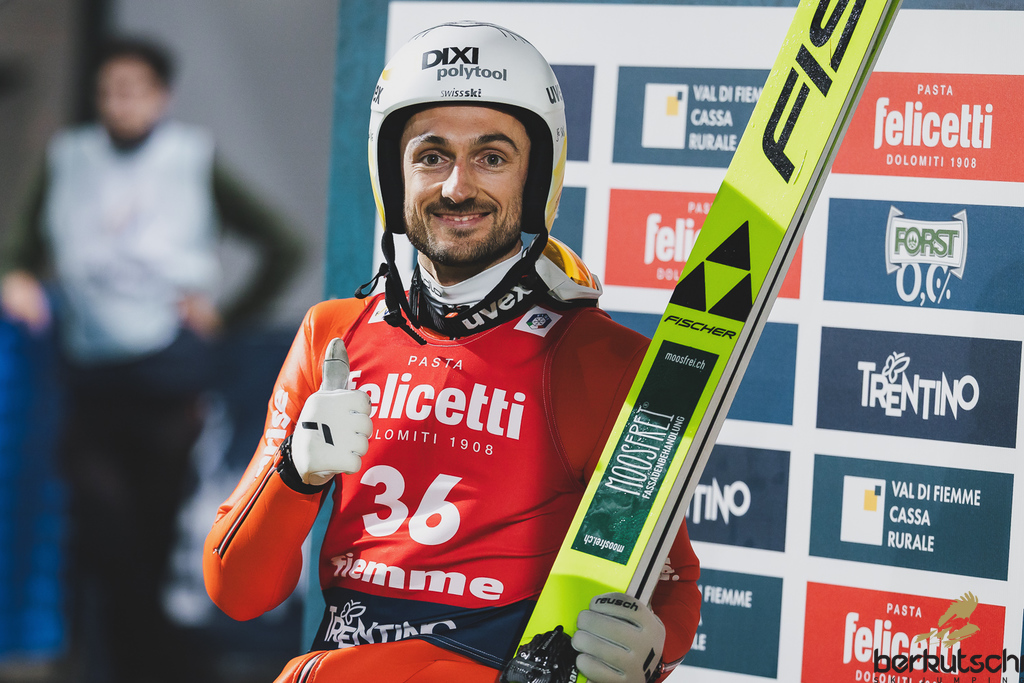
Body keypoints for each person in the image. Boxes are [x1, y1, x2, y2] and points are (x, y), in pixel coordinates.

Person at [204, 21, 700, 683]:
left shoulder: (603, 361)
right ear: (394, 175)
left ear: (535, 178)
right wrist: (296, 471)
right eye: (431, 156)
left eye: (492, 157)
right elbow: (236, 589)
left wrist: (652, 651)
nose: (457, 187)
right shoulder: (334, 337)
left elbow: (670, 578)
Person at [0, 37, 303, 682]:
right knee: (103, 536)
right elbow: (19, 245)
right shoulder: (69, 159)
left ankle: (158, 670)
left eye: (134, 89)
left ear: (161, 96)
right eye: (110, 90)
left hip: (169, 383)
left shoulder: (191, 159)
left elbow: (284, 245)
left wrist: (229, 314)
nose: (121, 102)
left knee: (156, 542)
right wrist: (17, 275)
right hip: (90, 380)